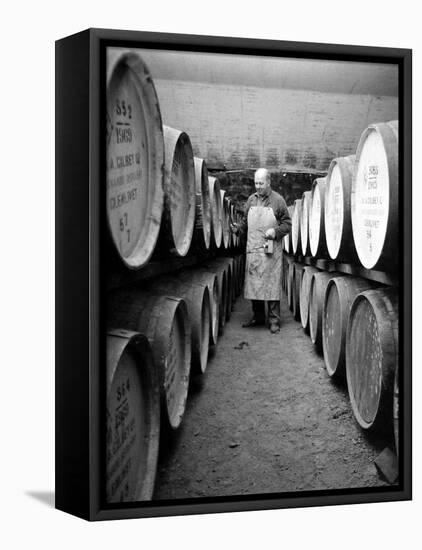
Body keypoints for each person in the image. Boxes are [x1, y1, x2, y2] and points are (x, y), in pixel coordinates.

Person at [232, 168, 291, 334]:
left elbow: (287, 224)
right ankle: (258, 317)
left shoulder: (278, 201)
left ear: (268, 182)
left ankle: (274, 321)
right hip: (253, 249)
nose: (258, 186)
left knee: (271, 285)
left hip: (270, 250)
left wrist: (276, 231)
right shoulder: (251, 200)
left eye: (261, 183)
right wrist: (238, 229)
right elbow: (245, 223)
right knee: (255, 285)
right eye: (256, 183)